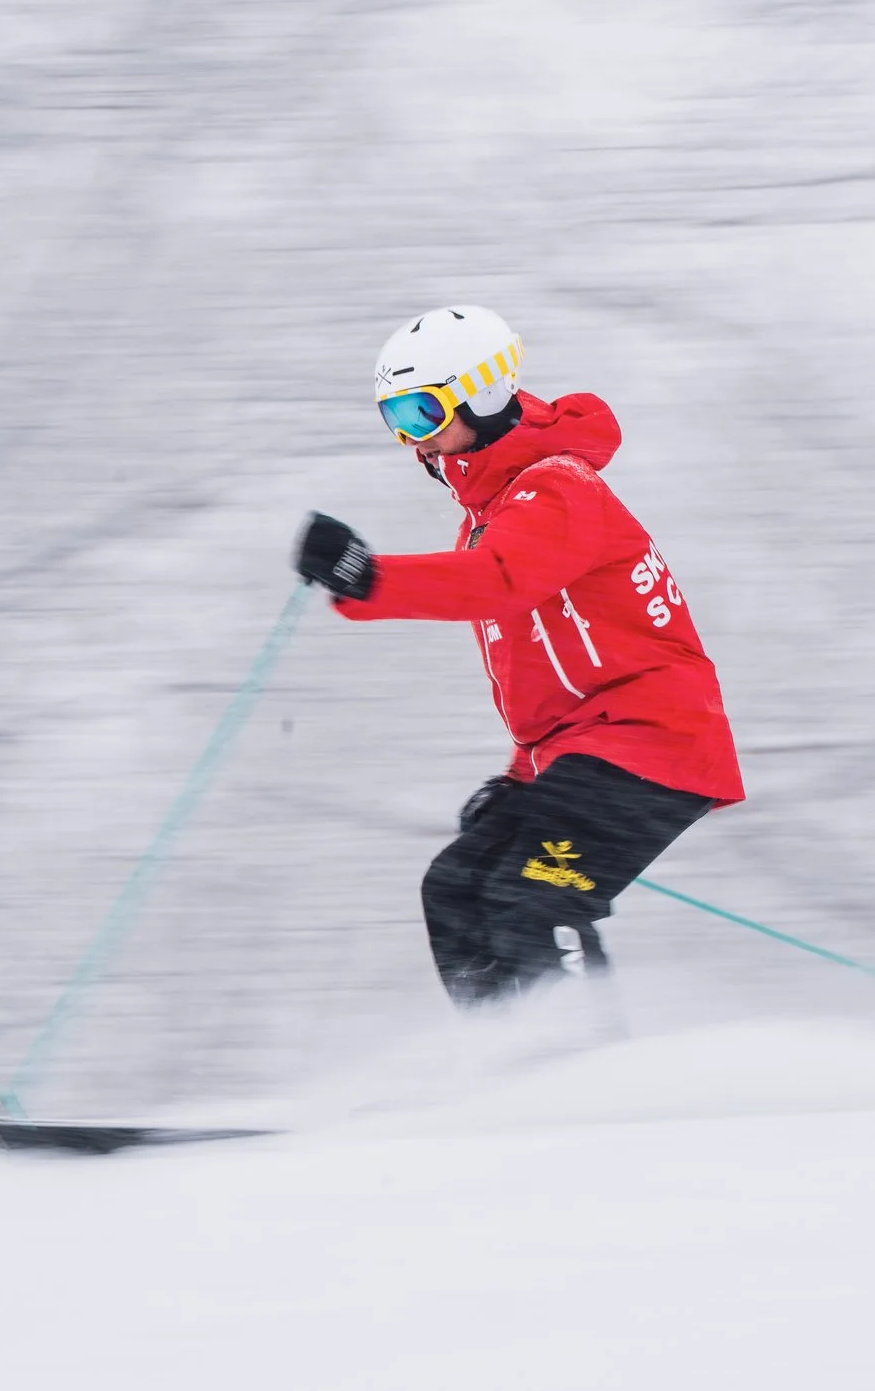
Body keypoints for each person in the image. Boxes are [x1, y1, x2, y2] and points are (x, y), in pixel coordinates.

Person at [293, 306, 745, 1008]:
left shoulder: (558, 487)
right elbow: (549, 676)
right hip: (602, 749)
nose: (415, 439)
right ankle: (503, 1058)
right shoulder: (497, 510)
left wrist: (369, 577)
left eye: (422, 411)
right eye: (397, 421)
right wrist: (521, 775)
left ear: (482, 392)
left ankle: (580, 1069)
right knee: (455, 887)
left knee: (529, 897)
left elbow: (502, 581)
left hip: (658, 745)